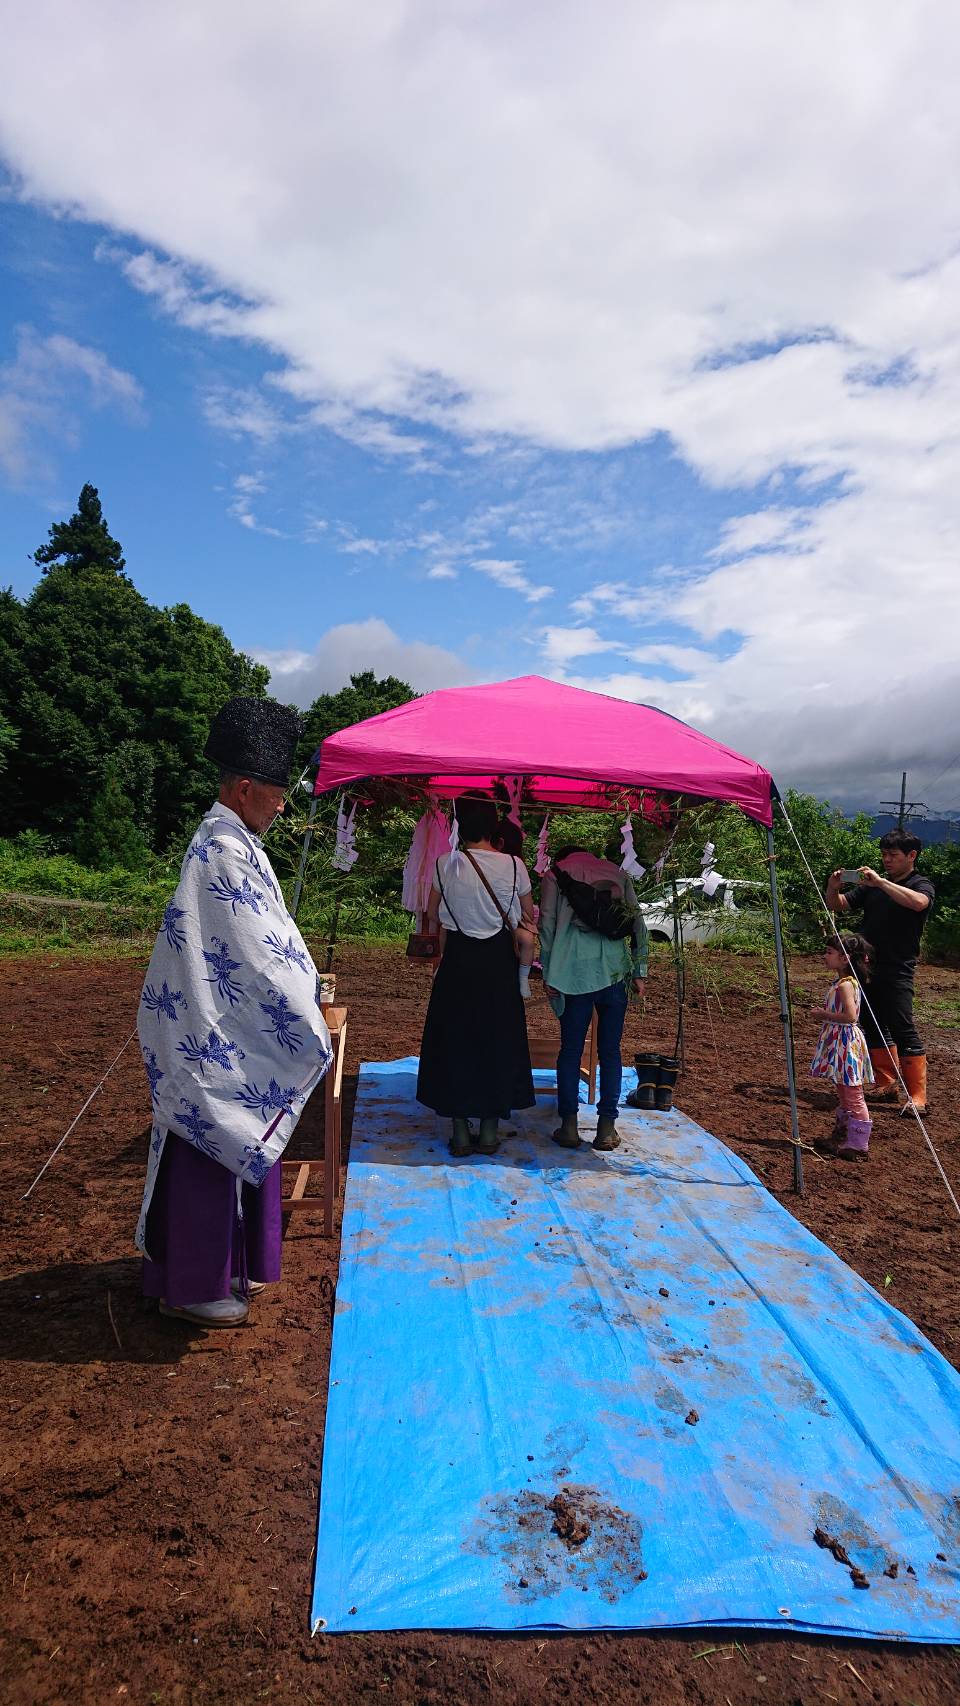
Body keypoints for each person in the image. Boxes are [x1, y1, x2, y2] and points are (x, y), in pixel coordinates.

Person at [135, 697, 333, 1327]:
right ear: (246, 787)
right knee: (212, 1135)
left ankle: (213, 1270)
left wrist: (301, 983)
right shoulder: (223, 849)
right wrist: (304, 1000)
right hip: (213, 1030)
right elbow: (256, 953)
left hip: (215, 1020)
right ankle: (193, 1284)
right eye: (277, 793)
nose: (282, 805)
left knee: (224, 1138)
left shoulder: (231, 840)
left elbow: (260, 940)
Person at [416, 796, 536, 1156]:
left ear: (459, 827)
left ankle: (459, 1132)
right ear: (493, 827)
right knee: (497, 1041)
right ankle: (488, 1131)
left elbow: (432, 914)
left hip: (458, 962)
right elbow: (529, 916)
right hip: (499, 965)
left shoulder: (443, 864)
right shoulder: (515, 865)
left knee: (456, 1042)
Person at [539, 845, 648, 1152]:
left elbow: (546, 924)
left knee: (571, 1050)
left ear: (562, 859)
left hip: (573, 972)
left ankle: (569, 1127)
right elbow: (638, 922)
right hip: (615, 970)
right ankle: (606, 1129)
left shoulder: (555, 875)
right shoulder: (618, 873)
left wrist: (548, 969)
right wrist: (640, 969)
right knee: (611, 1051)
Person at [826, 829, 934, 1117]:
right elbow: (838, 905)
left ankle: (917, 1096)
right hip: (865, 964)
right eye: (884, 855)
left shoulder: (919, 884)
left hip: (898, 967)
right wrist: (833, 886)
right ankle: (886, 1083)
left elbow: (918, 903)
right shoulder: (871, 887)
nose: (887, 860)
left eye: (893, 855)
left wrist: (882, 883)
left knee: (902, 1026)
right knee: (871, 1024)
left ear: (911, 856)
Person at [810, 933, 875, 1161]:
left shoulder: (846, 985)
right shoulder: (842, 982)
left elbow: (850, 1016)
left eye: (829, 952)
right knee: (844, 1091)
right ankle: (843, 1135)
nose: (824, 956)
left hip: (846, 1043)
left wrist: (823, 1014)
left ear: (845, 958)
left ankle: (857, 1144)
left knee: (852, 1094)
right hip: (840, 1042)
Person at [493, 814, 538, 998]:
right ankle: (523, 977)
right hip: (508, 927)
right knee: (528, 940)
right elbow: (527, 909)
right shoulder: (517, 865)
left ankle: (523, 978)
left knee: (527, 939)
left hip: (501, 925)